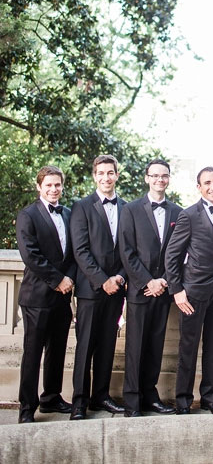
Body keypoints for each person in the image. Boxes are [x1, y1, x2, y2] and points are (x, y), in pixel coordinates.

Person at [165, 166, 213, 414]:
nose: (212, 187)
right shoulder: (188, 215)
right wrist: (177, 290)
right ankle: (183, 400)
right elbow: (172, 255)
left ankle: (210, 397)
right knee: (188, 347)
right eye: (207, 183)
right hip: (192, 292)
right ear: (199, 187)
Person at [119, 159, 182, 417]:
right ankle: (132, 402)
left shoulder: (178, 212)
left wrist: (164, 281)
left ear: (169, 178)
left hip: (164, 290)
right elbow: (126, 252)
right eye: (154, 175)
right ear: (146, 178)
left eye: (164, 176)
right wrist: (148, 281)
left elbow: (179, 253)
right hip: (139, 290)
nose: (159, 180)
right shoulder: (131, 210)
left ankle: (150, 396)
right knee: (135, 347)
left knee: (156, 345)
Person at [16, 165, 76, 423]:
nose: (54, 189)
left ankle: (51, 397)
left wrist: (69, 278)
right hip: (37, 297)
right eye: (49, 185)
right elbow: (30, 255)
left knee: (58, 349)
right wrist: (57, 280)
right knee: (33, 352)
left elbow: (74, 251)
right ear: (39, 186)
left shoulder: (69, 214)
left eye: (57, 185)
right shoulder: (28, 215)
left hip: (63, 296)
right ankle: (27, 408)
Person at [69, 154, 126, 420]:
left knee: (106, 345)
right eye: (101, 173)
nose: (106, 177)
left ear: (117, 175)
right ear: (95, 176)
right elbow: (80, 250)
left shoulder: (127, 207)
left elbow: (131, 250)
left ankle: (101, 396)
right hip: (91, 291)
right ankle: (79, 402)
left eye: (110, 172)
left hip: (117, 289)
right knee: (86, 346)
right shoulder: (81, 207)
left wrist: (120, 278)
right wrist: (102, 280)